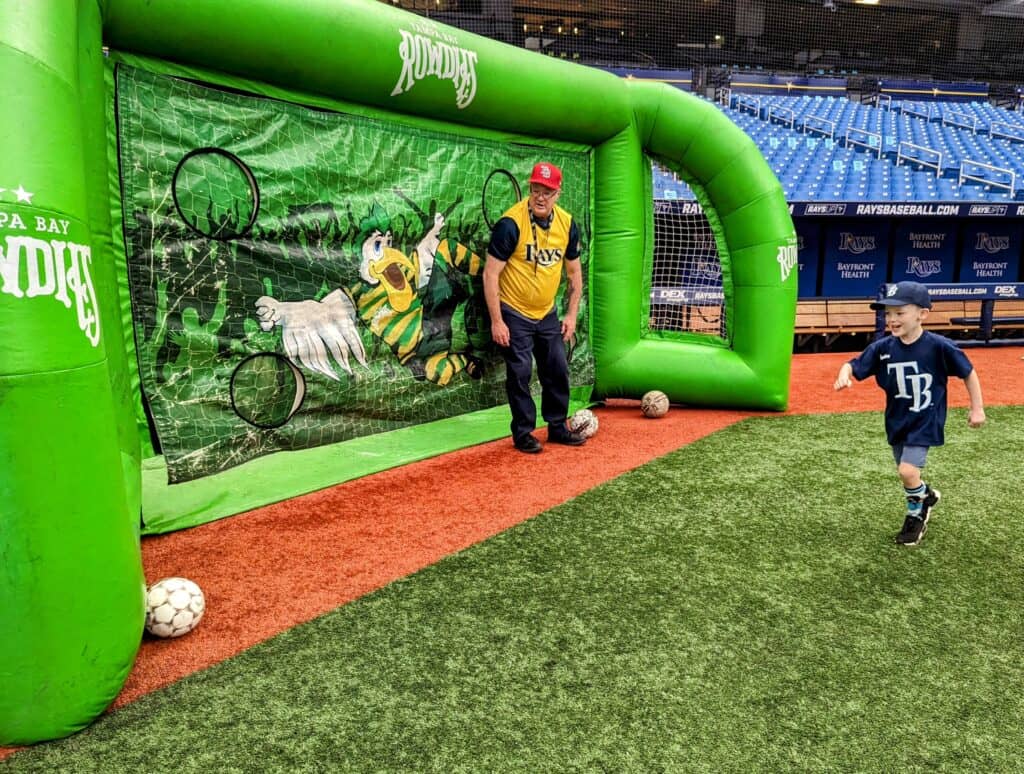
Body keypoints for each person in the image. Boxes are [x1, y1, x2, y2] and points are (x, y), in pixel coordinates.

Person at [833, 281, 985, 546]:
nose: (892, 319)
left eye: (899, 313)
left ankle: (916, 515)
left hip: (925, 420)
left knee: (907, 470)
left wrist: (977, 408)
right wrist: (844, 375)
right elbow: (853, 364)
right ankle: (925, 496)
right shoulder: (883, 348)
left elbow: (968, 372)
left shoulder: (939, 346)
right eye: (888, 314)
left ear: (922, 314)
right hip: (897, 421)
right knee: (906, 473)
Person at [483, 161, 585, 454]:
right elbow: (491, 274)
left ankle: (556, 427)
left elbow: (574, 274)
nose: (541, 197)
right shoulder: (510, 224)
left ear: (558, 194)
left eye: (548, 192)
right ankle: (524, 432)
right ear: (529, 189)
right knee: (521, 371)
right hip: (514, 310)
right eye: (536, 190)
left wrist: (571, 314)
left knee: (556, 368)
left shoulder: (567, 224)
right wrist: (497, 320)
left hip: (546, 312)